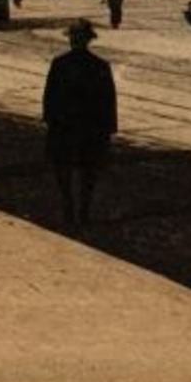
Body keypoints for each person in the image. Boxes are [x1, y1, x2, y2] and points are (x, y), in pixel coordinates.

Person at [43, 18, 118, 228]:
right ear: (88, 41)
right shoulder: (100, 65)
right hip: (91, 128)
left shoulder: (59, 64)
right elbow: (108, 100)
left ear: (71, 41)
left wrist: (50, 122)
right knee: (89, 171)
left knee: (63, 169)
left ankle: (69, 206)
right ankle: (84, 210)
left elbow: (49, 97)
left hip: (64, 125)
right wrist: (108, 129)